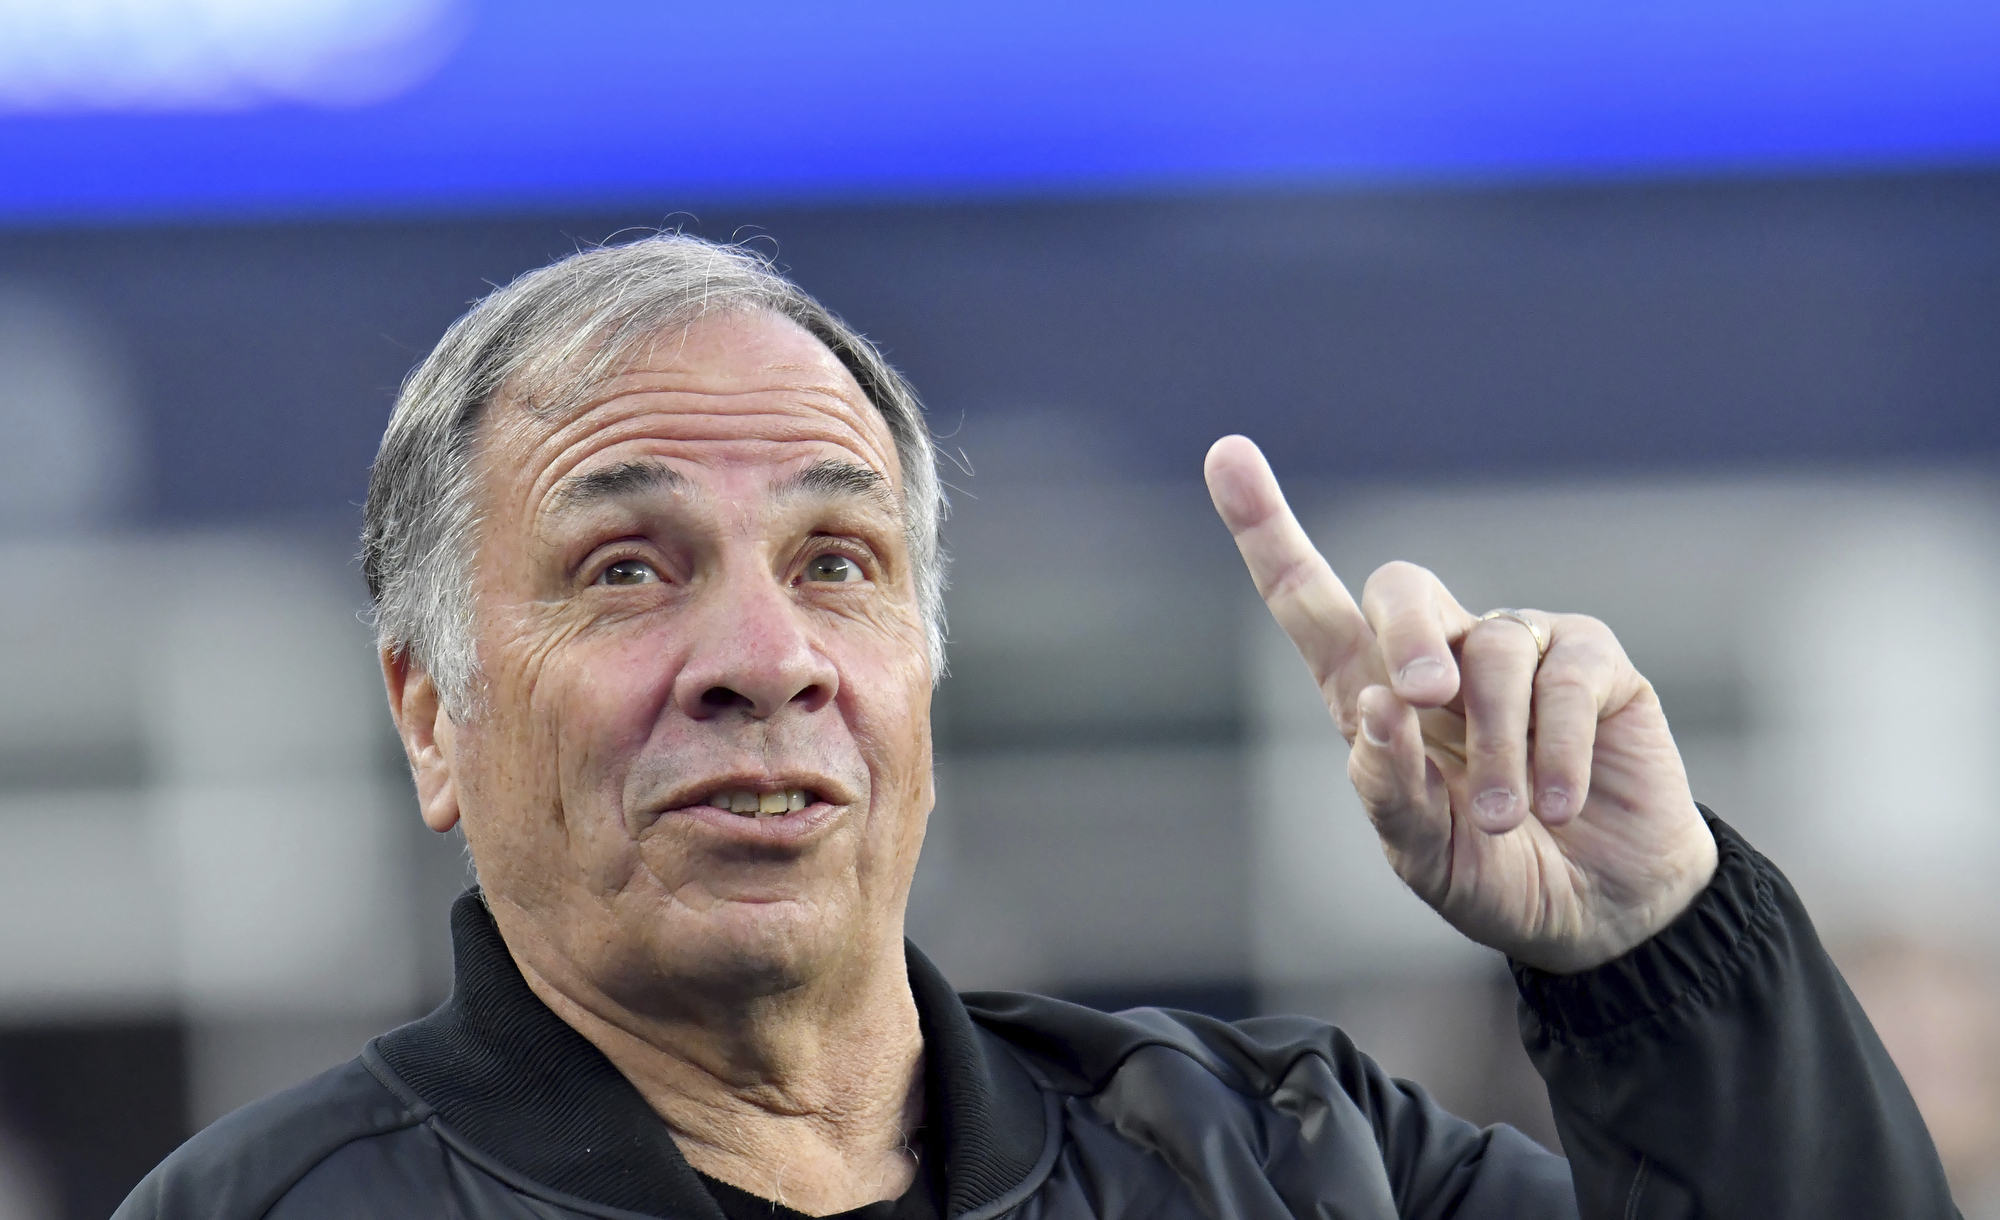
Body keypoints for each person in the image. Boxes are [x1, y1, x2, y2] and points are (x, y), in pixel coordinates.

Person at [115, 234, 1955, 1219]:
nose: (766, 657)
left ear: (925, 668)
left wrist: (1654, 955)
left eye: (839, 562)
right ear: (432, 722)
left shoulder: (1300, 1167)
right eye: (624, 571)